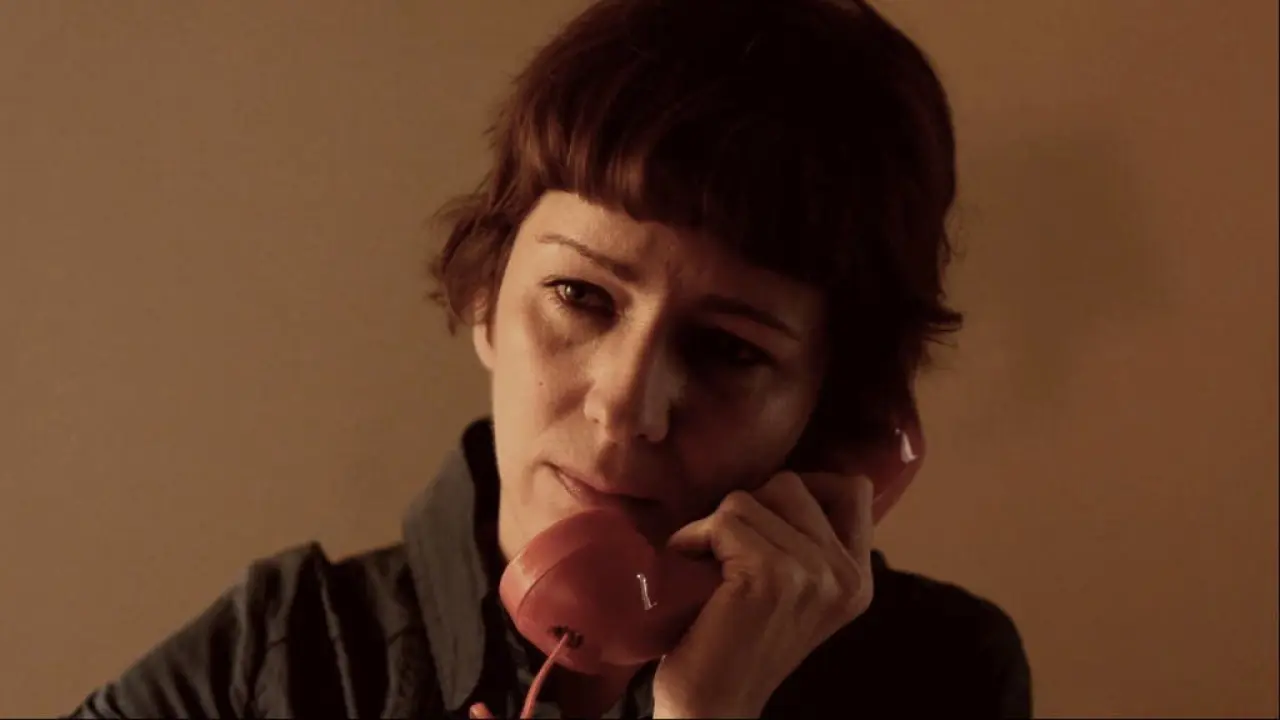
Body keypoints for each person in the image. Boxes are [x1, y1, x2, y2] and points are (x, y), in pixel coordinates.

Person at [68, 0, 1032, 717]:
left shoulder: (934, 675)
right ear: (486, 295)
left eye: (729, 349)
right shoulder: (280, 656)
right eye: (581, 296)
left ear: (831, 413)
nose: (627, 405)